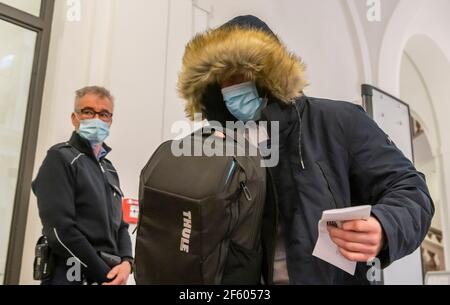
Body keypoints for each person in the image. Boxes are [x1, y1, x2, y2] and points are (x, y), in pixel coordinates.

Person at [177, 15, 434, 284]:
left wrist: (385, 225)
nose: (233, 87)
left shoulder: (338, 122)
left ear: (270, 72)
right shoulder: (215, 147)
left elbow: (410, 189)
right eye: (223, 79)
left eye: (243, 73)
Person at [32, 86, 133, 285]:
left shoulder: (109, 169)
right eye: (88, 111)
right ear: (74, 118)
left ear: (110, 121)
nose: (96, 118)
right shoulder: (60, 158)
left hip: (106, 276)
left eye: (104, 114)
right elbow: (61, 232)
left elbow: (120, 226)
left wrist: (127, 263)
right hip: (71, 276)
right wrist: (104, 274)